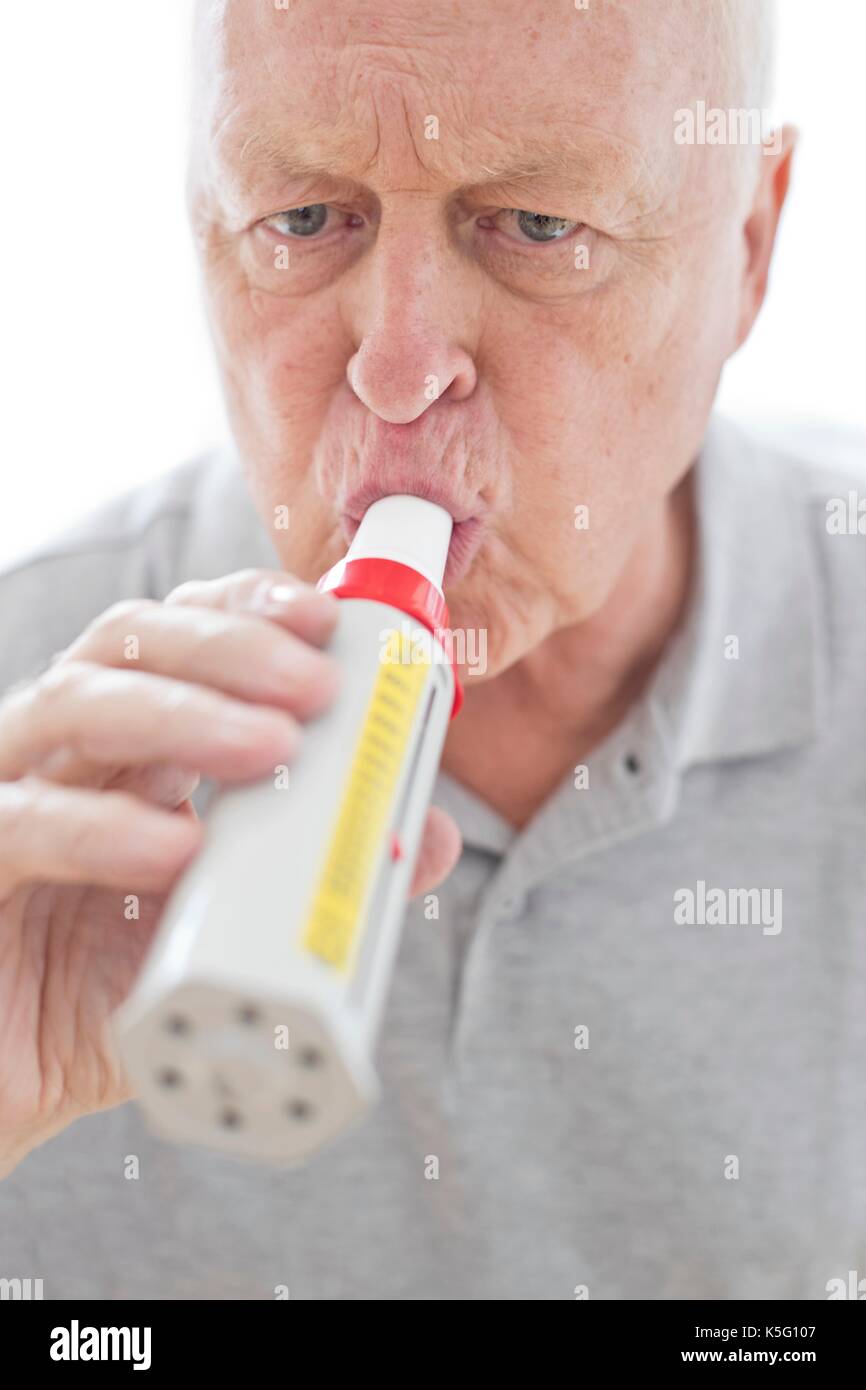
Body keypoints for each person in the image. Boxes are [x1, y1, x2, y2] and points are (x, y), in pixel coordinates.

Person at [1, 0, 864, 1300]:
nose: (397, 373)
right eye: (300, 219)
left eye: (535, 227)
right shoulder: (29, 749)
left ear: (749, 245)